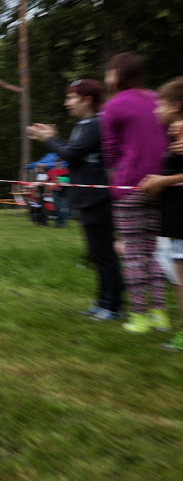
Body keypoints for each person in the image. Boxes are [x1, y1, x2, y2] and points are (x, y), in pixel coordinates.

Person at [27, 79, 123, 321]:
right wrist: (54, 138)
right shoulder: (83, 125)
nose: (66, 103)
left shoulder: (97, 123)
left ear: (87, 100)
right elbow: (73, 153)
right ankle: (103, 302)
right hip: (87, 199)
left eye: (71, 98)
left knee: (105, 254)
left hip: (98, 199)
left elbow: (72, 153)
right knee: (97, 253)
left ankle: (112, 306)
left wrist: (49, 138)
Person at [101, 52, 169, 334]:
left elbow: (110, 151)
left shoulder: (113, 105)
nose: (107, 76)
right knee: (154, 251)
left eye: (109, 71)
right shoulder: (156, 98)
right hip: (161, 183)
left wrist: (116, 174)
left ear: (118, 73)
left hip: (129, 185)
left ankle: (139, 316)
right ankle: (159, 314)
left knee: (132, 252)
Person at [140, 77, 183, 351]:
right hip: (174, 216)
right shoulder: (174, 134)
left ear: (176, 106)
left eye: (161, 104)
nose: (157, 110)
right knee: (178, 275)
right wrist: (157, 185)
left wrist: (162, 181)